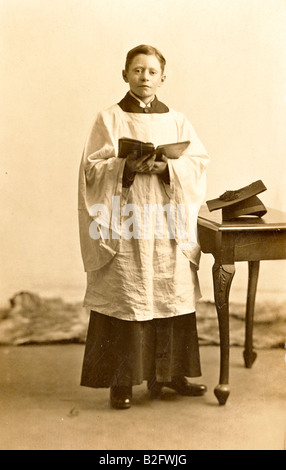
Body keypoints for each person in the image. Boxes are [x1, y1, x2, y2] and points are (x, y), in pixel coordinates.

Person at [78, 45, 210, 409]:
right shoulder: (109, 119)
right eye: (137, 71)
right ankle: (121, 381)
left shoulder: (178, 120)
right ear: (125, 75)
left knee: (170, 290)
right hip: (128, 218)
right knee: (128, 294)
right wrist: (126, 165)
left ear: (163, 78)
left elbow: (198, 163)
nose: (145, 78)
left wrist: (167, 167)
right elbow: (91, 169)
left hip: (167, 220)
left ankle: (170, 376)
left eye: (152, 72)